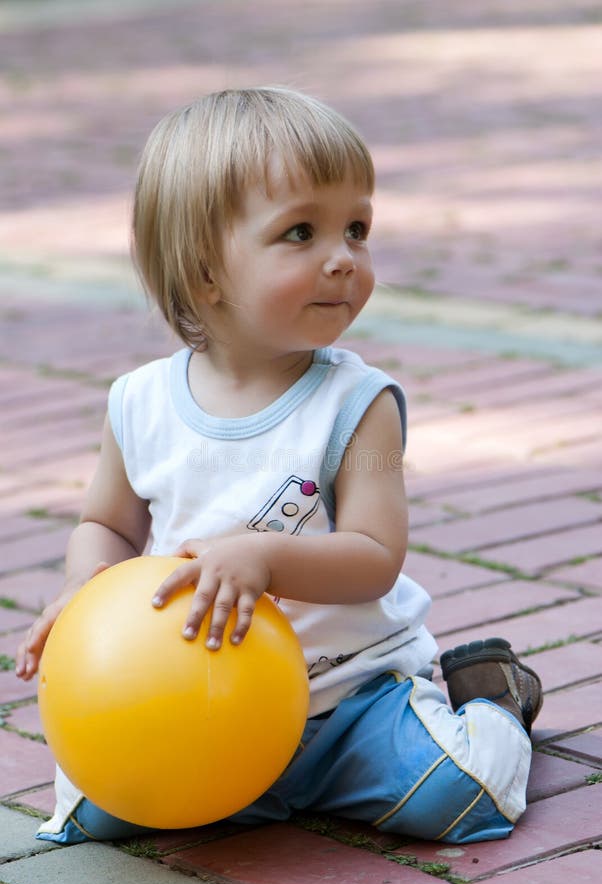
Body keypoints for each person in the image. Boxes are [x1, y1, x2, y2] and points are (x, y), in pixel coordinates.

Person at [16, 86, 542, 845]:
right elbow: (105, 522)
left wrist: (263, 556)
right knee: (95, 812)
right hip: (197, 709)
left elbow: (373, 558)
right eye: (302, 232)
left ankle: (490, 696)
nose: (343, 259)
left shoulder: (358, 404)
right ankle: (236, 792)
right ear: (204, 273)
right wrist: (85, 582)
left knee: (462, 800)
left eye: (357, 229)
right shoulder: (140, 402)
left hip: (347, 701)